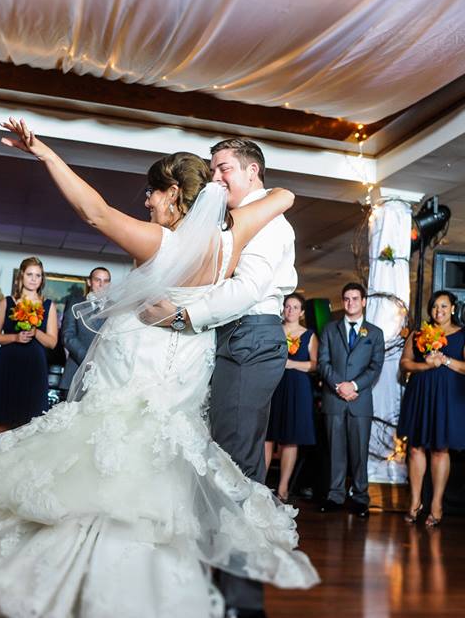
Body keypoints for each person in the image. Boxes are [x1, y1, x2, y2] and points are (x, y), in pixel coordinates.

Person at [0, 118, 318, 618]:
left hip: (148, 370)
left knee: (113, 462)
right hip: (184, 374)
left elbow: (95, 212)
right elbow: (285, 196)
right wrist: (247, 192)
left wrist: (45, 154)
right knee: (160, 470)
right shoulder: (228, 242)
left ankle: (116, 580)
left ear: (172, 195)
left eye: (152, 193)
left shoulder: (166, 244)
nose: (146, 201)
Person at [139, 137, 299, 617]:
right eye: (212, 170)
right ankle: (218, 588)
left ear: (253, 172)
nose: (215, 178)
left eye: (224, 168)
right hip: (235, 338)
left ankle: (241, 602)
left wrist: (184, 318)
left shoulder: (269, 219)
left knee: (236, 468)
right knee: (221, 462)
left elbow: (248, 289)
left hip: (251, 337)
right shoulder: (236, 218)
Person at [398, 291, 465, 527]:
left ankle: (436, 504)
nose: (438, 311)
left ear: (452, 308)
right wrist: (425, 365)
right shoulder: (418, 333)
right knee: (415, 448)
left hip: (449, 396)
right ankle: (414, 501)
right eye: (434, 306)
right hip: (421, 392)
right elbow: (405, 363)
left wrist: (446, 361)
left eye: (444, 306)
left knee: (440, 449)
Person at [317, 283, 385, 517]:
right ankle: (335, 496)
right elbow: (323, 363)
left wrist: (353, 386)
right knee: (335, 451)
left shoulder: (375, 333)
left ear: (363, 301)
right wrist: (339, 385)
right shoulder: (329, 329)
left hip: (360, 400)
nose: (350, 303)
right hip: (334, 399)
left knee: (359, 452)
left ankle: (360, 498)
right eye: (346, 299)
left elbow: (376, 367)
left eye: (355, 299)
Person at [0, 256, 59, 433]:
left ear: (42, 279)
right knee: (2, 420)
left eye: (38, 275)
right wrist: (15, 338)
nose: (33, 279)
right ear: (21, 276)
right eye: (30, 274)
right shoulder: (6, 302)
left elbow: (52, 342)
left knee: (29, 423)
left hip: (34, 367)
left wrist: (36, 332)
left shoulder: (48, 305)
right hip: (8, 364)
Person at [265, 293, 318, 503]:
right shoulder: (274, 331)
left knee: (290, 438)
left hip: (298, 387)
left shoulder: (309, 336)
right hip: (274, 385)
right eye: (287, 306)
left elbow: (315, 365)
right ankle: (258, 482)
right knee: (267, 436)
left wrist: (291, 364)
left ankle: (283, 487)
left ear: (302, 312)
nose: (291, 310)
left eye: (295, 307)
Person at [59, 266, 111, 391]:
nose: (101, 284)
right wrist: (87, 358)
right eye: (97, 280)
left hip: (105, 372)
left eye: (106, 281)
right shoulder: (75, 303)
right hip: (77, 368)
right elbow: (67, 336)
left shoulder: (114, 307)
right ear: (89, 282)